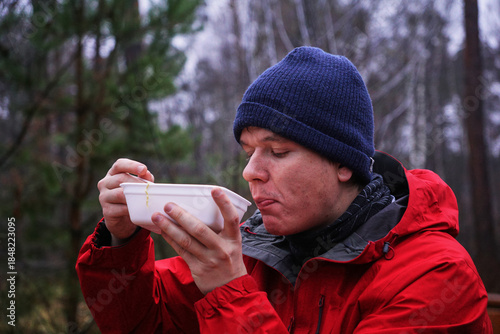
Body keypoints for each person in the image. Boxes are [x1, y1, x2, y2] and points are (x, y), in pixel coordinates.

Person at [76, 46, 493, 333]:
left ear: (343, 163)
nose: (250, 173)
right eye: (248, 151)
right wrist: (121, 240)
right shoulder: (255, 249)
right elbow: (142, 324)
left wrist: (229, 294)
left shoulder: (436, 276)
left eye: (276, 150)